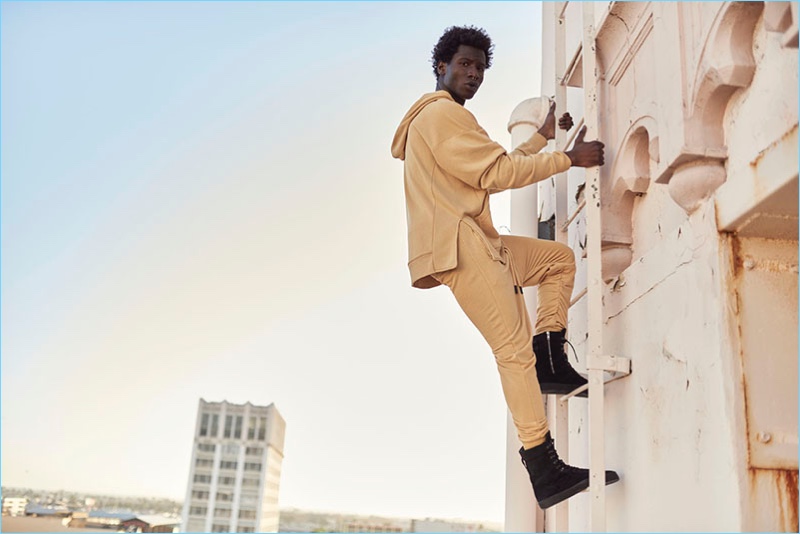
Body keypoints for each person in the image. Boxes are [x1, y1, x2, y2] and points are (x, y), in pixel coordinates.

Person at [390, 25, 619, 510]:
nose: (473, 74)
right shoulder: (440, 116)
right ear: (441, 67)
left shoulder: (446, 120)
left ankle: (551, 358)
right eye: (464, 65)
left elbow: (494, 165)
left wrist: (538, 138)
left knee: (557, 260)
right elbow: (497, 174)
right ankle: (543, 464)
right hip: (461, 247)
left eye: (480, 68)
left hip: (480, 242)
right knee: (512, 352)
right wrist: (569, 157)